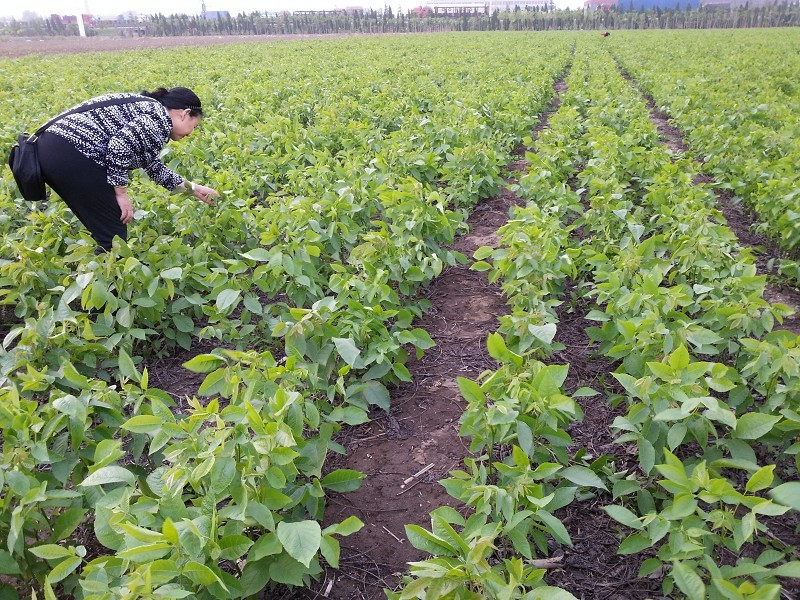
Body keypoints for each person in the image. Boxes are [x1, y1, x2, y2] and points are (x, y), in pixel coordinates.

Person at [36, 86, 219, 251]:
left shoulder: (151, 112)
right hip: (71, 151)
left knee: (107, 228)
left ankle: (100, 274)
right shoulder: (158, 119)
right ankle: (108, 283)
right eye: (193, 126)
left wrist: (193, 189)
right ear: (185, 114)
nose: (191, 133)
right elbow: (118, 146)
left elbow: (153, 166)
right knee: (114, 238)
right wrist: (121, 194)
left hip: (54, 149)